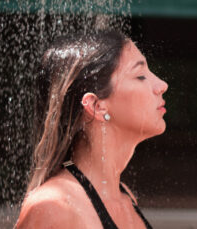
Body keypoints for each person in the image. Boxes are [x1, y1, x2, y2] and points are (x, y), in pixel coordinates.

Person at [15, 30, 168, 229]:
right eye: (140, 76)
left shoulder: (125, 197)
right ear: (96, 105)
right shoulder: (55, 206)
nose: (162, 85)